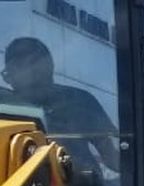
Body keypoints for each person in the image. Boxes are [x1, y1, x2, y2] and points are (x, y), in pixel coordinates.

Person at [3, 37, 120, 173]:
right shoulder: (4, 106)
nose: (32, 71)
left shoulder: (80, 101)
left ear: (50, 65)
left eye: (35, 62)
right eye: (21, 65)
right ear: (8, 76)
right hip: (17, 184)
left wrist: (140, 168)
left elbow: (112, 157)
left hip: (80, 184)